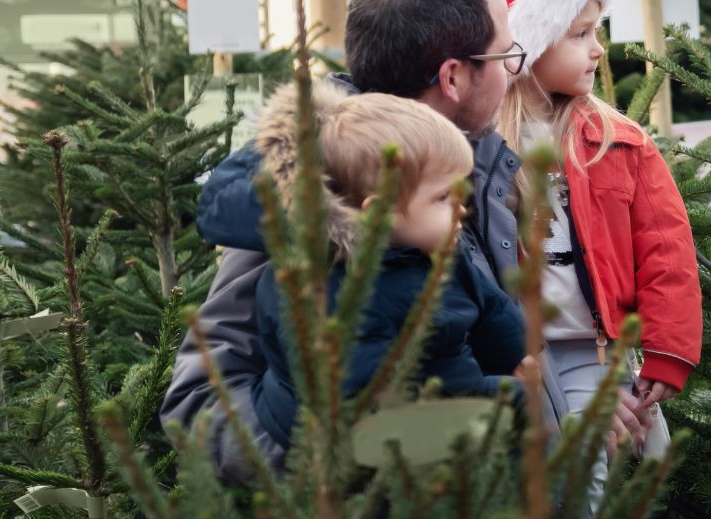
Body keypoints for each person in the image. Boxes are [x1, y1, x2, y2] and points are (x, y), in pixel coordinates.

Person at [161, 0, 650, 483]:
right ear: (453, 78)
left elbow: (491, 333)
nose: (516, 70)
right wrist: (373, 467)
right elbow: (199, 408)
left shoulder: (476, 154)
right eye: (506, 54)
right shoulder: (320, 186)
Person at [480, 0, 703, 519]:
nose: (597, 49)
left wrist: (664, 352)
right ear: (529, 39)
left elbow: (666, 250)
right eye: (579, 34)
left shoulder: (618, 142)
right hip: (505, 352)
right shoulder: (478, 143)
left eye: (596, 31)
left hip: (587, 351)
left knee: (583, 493)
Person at [196, 81, 528, 450]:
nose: (460, 208)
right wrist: (508, 396)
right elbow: (385, 398)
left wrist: (517, 349)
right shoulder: (345, 290)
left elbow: (494, 315)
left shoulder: (429, 250)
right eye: (442, 197)